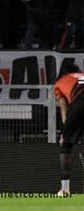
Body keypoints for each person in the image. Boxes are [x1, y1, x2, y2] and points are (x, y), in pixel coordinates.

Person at [53, 63, 84, 197]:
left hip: (79, 102)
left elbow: (63, 107)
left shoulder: (60, 82)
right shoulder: (82, 75)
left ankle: (65, 189)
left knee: (66, 147)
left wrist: (66, 133)